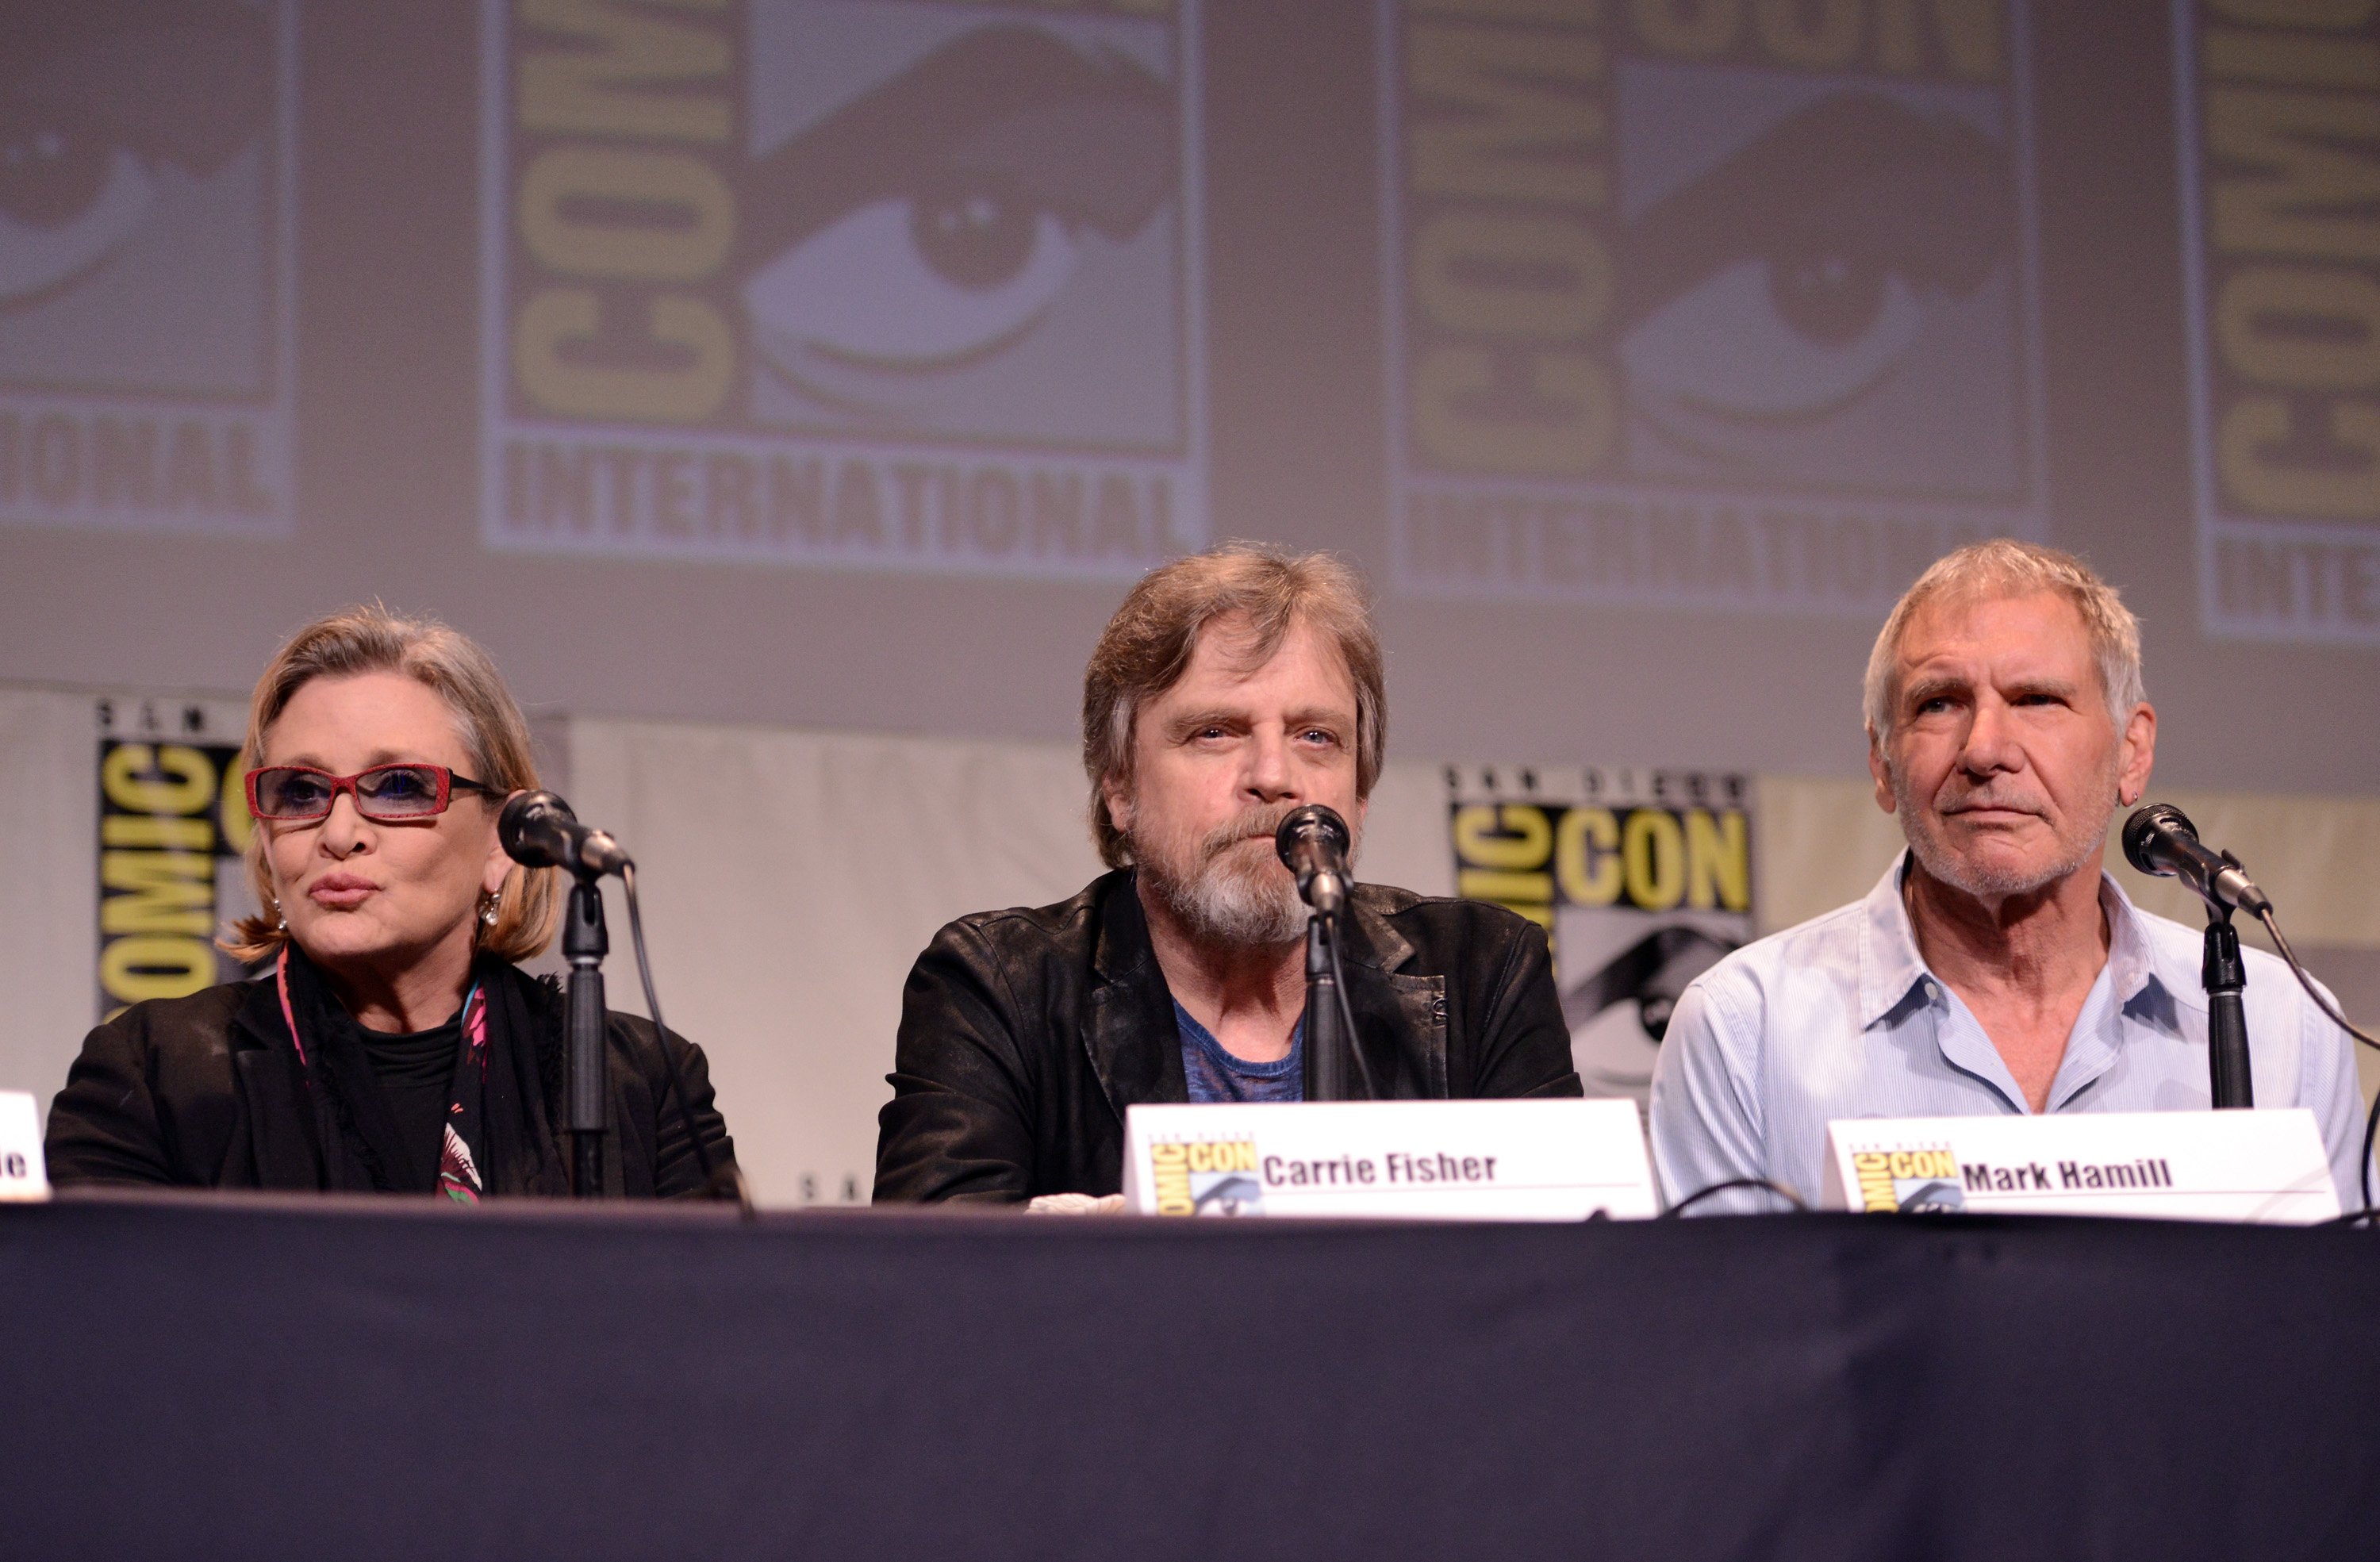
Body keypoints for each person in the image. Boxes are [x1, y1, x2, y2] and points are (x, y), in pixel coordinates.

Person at [1649, 540, 2367, 1211]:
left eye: (2035, 700)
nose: (1985, 749)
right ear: (1881, 761)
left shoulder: (2286, 1027)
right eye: (1940, 704)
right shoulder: (1746, 1031)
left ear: (2131, 751)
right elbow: (1719, 1341)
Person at [873, 543, 1582, 1205]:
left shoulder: (1484, 975)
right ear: (1118, 784)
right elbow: (925, 1288)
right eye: (1216, 731)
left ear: (1359, 794)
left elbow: (1574, 1282)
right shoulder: (999, 987)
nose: (1275, 778)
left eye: (1316, 736)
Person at [47, 605, 735, 1199]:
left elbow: (713, 1337)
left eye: (400, 786)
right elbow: (102, 1335)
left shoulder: (644, 1084)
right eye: (300, 790)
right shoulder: (152, 1071)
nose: (339, 833)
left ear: (504, 840)